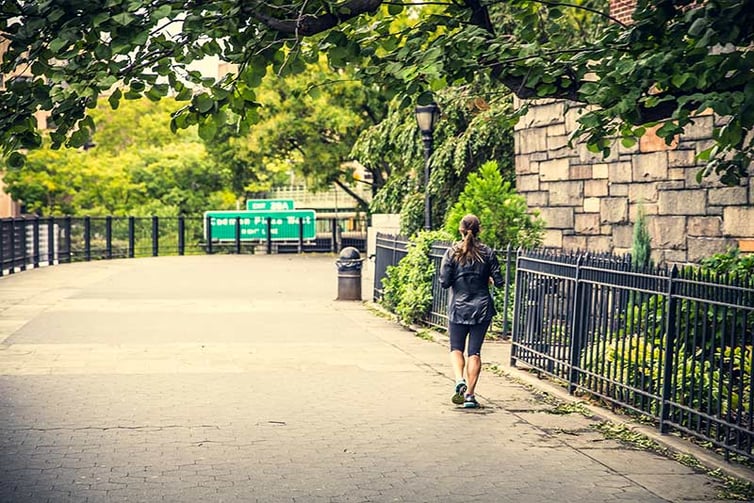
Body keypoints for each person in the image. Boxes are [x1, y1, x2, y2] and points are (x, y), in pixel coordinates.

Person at [439, 214, 504, 408]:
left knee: (456, 349)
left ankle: (459, 379)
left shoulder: (452, 252)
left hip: (458, 307)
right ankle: (469, 395)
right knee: (474, 352)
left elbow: (444, 282)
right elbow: (500, 282)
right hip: (482, 308)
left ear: (460, 230)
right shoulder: (488, 253)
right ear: (479, 230)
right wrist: (489, 280)